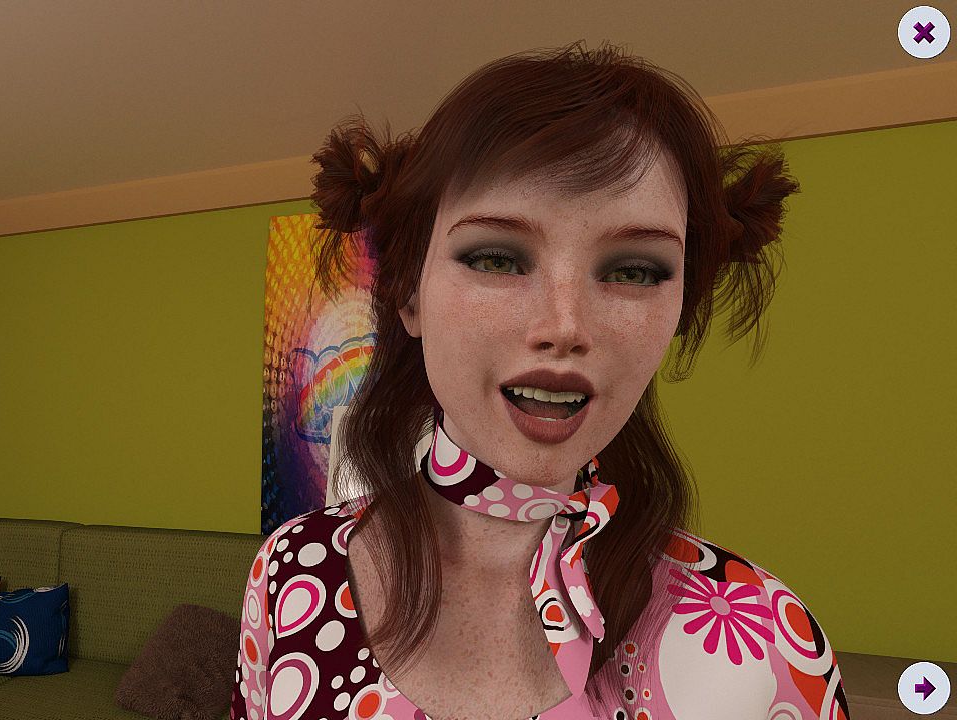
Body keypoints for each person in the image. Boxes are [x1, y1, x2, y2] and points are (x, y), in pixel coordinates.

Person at [231, 41, 849, 720]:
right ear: (409, 293)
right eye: (497, 258)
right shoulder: (292, 569)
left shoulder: (766, 637)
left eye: (634, 270)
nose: (564, 326)